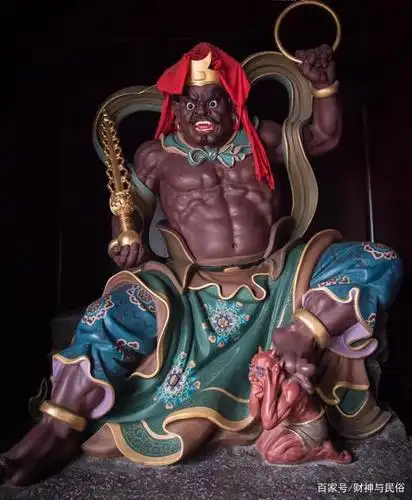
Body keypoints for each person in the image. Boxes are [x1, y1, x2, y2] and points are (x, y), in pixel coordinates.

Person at [1, 42, 403, 486]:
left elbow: (323, 138)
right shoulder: (155, 156)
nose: (201, 112)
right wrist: (124, 239)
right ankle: (56, 429)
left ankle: (300, 332)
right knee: (107, 314)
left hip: (279, 277)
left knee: (376, 259)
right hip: (188, 290)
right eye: (190, 103)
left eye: (213, 101)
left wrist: (324, 87)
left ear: (232, 103)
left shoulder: (261, 138)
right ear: (175, 108)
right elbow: (130, 213)